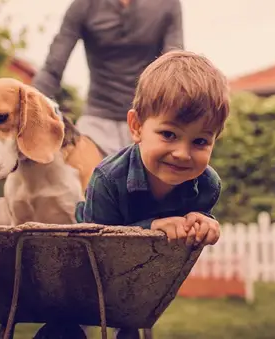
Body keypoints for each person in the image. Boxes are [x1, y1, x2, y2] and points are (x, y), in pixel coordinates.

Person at [73, 49, 230, 339]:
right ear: (136, 127)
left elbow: (187, 233)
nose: (182, 153)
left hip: (144, 274)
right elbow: (97, 247)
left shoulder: (207, 185)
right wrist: (151, 228)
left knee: (131, 318)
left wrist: (204, 221)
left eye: (200, 141)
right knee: (74, 316)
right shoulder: (107, 179)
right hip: (88, 255)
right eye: (169, 134)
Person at [32, 0, 184, 156]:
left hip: (147, 122)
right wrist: (31, 112)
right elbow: (52, 68)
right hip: (96, 123)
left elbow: (173, 69)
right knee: (85, 173)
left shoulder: (167, 4)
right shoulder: (84, 5)